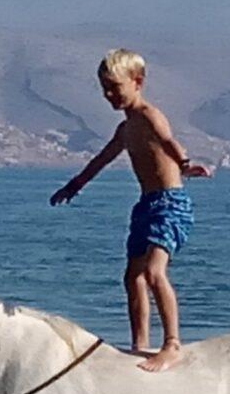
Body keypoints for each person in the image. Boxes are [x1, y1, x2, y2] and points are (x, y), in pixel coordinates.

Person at [50, 49, 212, 372]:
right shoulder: (125, 130)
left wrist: (185, 165)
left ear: (137, 82)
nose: (110, 95)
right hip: (146, 205)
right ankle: (140, 343)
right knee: (132, 276)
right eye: (105, 89)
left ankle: (172, 344)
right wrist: (74, 185)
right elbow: (102, 159)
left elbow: (168, 141)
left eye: (115, 87)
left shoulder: (151, 116)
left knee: (153, 272)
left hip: (170, 204)